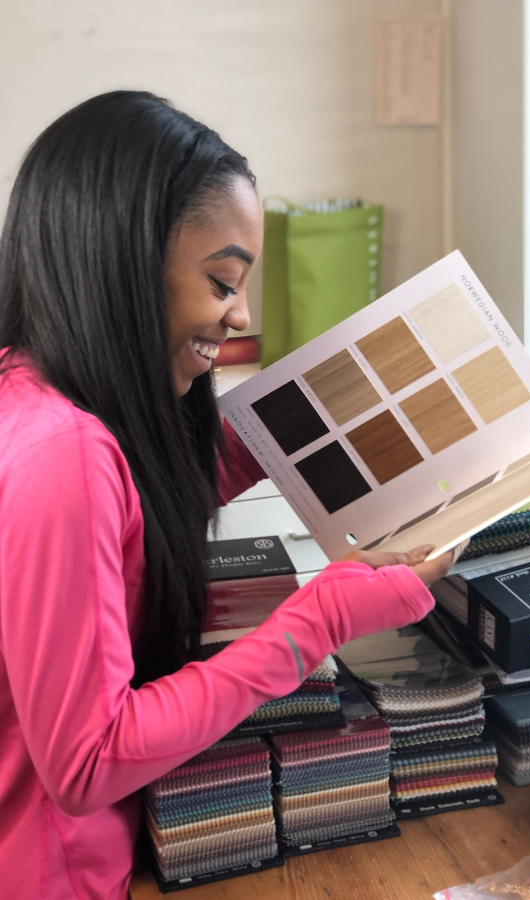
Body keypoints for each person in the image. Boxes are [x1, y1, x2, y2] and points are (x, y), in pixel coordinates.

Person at [0, 91, 455, 900]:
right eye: (222, 281)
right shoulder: (62, 456)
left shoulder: (29, 391)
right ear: (124, 265)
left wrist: (270, 437)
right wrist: (322, 619)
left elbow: (125, 533)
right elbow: (88, 760)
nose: (240, 314)